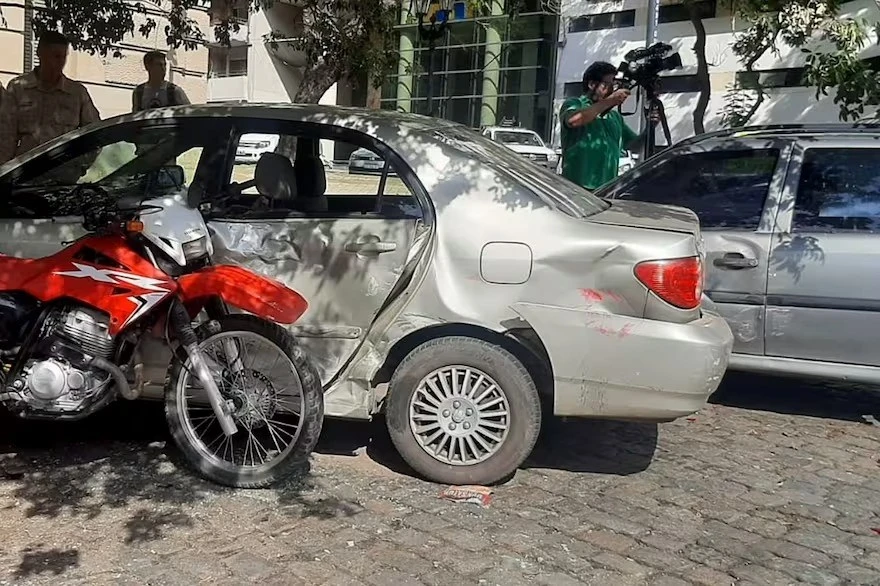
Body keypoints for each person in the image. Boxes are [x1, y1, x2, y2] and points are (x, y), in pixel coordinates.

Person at [0, 31, 100, 164]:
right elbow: (5, 137)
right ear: (40, 54)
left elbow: (95, 134)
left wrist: (81, 165)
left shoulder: (77, 93)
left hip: (64, 177)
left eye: (63, 57)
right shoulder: (18, 88)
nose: (60, 62)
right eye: (55, 56)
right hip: (26, 175)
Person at [559, 61, 657, 190]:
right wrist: (609, 101)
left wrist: (650, 127)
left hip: (607, 189)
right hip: (576, 189)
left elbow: (633, 146)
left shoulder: (614, 116)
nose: (612, 89)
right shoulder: (575, 104)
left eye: (614, 84)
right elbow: (574, 120)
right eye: (607, 84)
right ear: (592, 84)